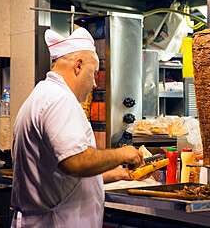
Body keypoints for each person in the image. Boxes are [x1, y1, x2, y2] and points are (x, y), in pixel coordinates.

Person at [11, 27, 144, 228]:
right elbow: (73, 162)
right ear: (78, 66)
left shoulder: (43, 94)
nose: (94, 84)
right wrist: (124, 154)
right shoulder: (59, 99)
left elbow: (57, 173)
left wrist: (114, 174)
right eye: (94, 74)